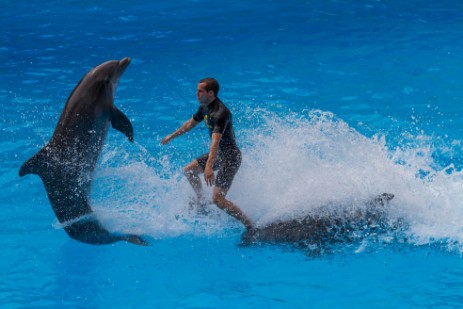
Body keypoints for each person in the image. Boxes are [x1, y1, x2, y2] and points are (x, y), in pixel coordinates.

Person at [161, 78, 253, 230]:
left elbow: (215, 144)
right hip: (220, 154)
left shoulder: (220, 113)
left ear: (211, 93)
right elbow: (190, 123)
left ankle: (249, 224)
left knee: (218, 199)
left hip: (230, 157)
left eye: (200, 91)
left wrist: (209, 167)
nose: (196, 93)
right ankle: (201, 201)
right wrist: (172, 136)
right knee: (189, 170)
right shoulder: (205, 107)